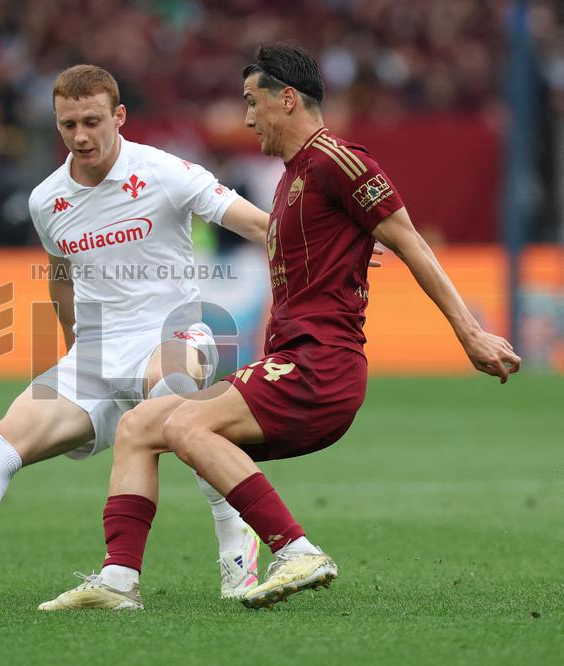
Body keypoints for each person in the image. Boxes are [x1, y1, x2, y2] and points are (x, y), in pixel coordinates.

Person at [38, 44, 521, 612]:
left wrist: (470, 334)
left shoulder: (339, 160)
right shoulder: (291, 178)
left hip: (321, 366)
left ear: (286, 99)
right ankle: (119, 580)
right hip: (291, 360)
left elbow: (409, 239)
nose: (245, 117)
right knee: (140, 427)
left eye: (252, 101)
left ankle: (296, 549)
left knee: (190, 425)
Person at [0, 64, 278, 605]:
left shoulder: (165, 171)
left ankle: (237, 549)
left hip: (172, 335)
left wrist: (327, 244)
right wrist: (73, 349)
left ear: (119, 116)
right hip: (94, 356)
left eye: (92, 121)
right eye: (68, 125)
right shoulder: (47, 201)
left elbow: (258, 224)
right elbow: (61, 278)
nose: (81, 136)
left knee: (173, 391)